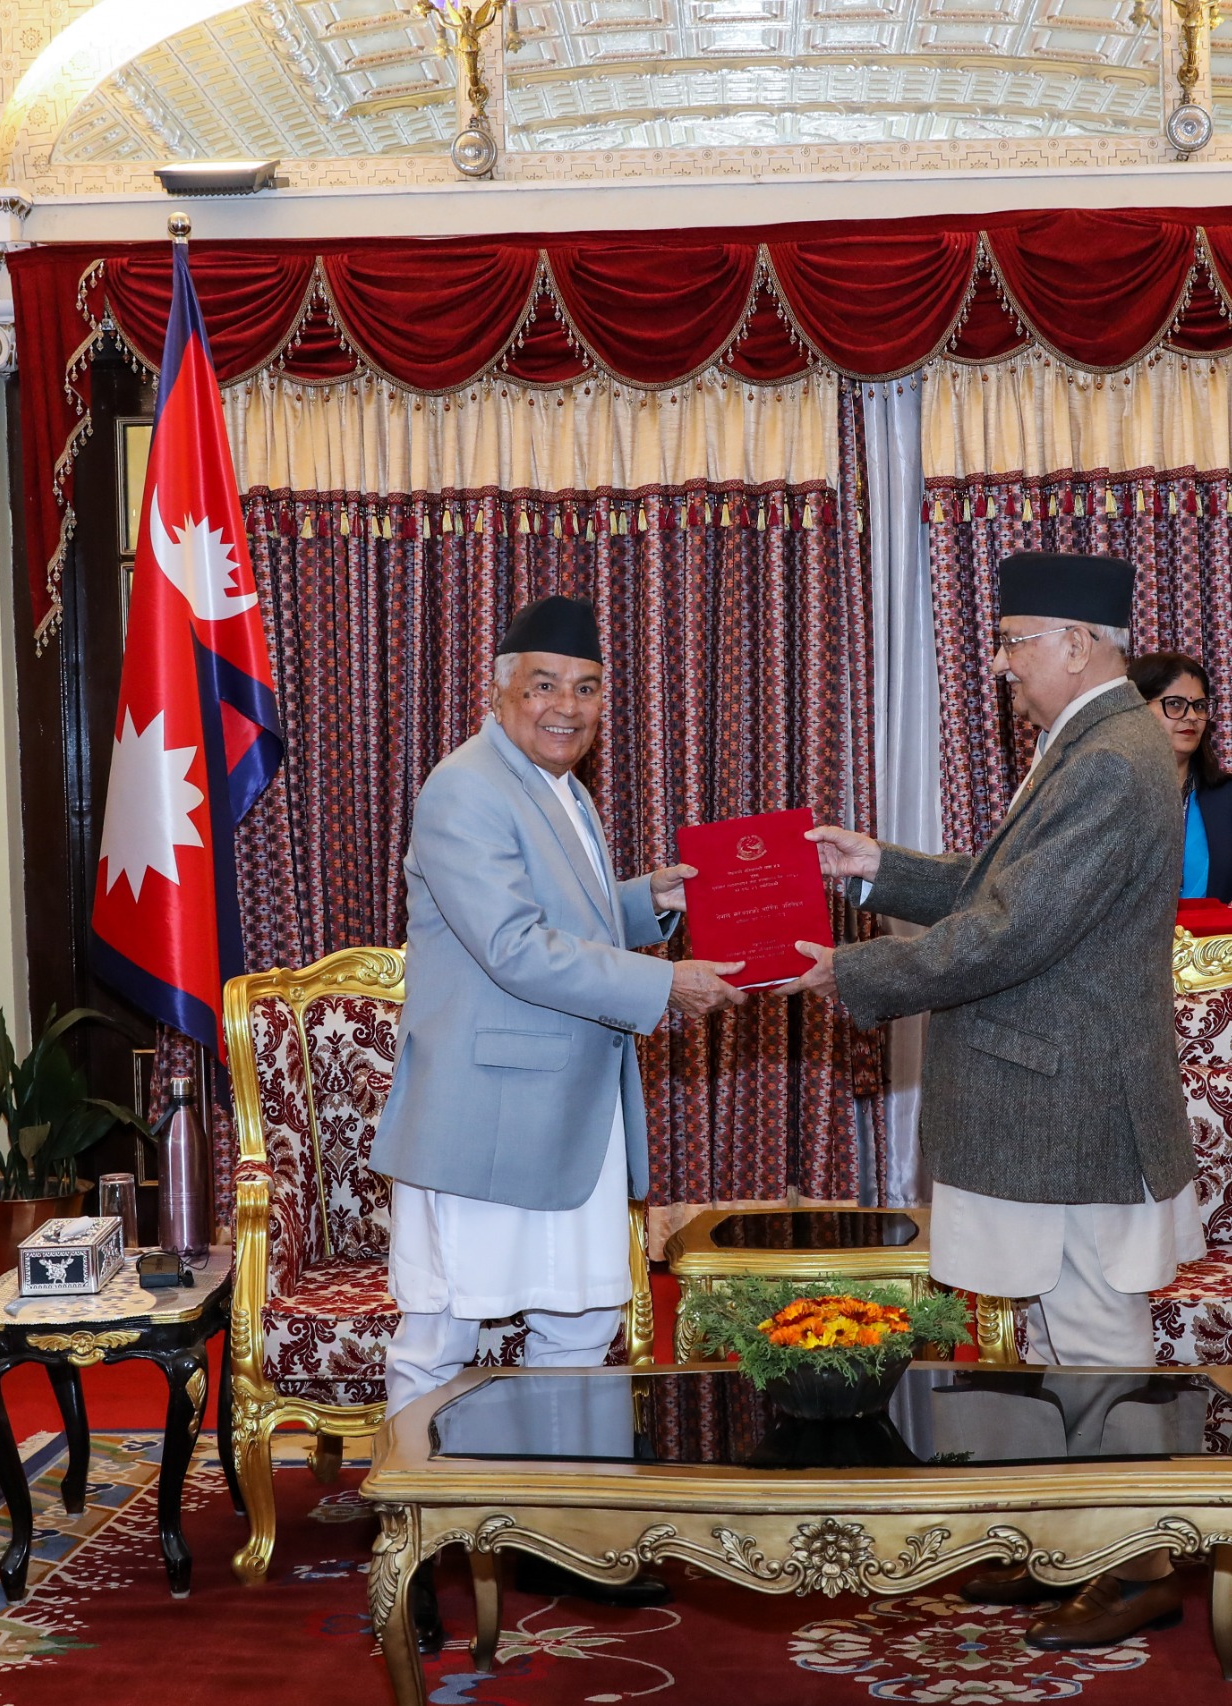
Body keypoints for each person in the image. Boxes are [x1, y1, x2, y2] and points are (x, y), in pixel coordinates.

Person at [781, 551, 1201, 1651]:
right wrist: (877, 869)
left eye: (1014, 641)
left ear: (1078, 643)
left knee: (1096, 1333)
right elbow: (1007, 883)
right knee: (1057, 1330)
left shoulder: (1112, 757)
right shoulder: (1096, 740)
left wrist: (851, 971)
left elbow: (1013, 929)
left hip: (1071, 1104)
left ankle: (1137, 1563)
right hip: (1047, 1095)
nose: (1002, 663)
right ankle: (1069, 1541)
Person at [368, 594, 746, 1607]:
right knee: (442, 1335)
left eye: (585, 688)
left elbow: (560, 913)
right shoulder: (464, 787)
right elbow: (513, 946)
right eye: (544, 685)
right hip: (484, 1116)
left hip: (572, 1113)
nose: (566, 706)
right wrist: (664, 982)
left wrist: (649, 899)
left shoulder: (557, 787)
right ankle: (416, 1541)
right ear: (499, 690)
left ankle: (563, 1535)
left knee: (578, 1324)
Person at [1127, 651, 1232, 938]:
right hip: (1132, 960)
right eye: (1174, 704)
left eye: (1199, 706)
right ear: (1136, 710)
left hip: (1218, 959)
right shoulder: (1109, 797)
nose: (1191, 716)